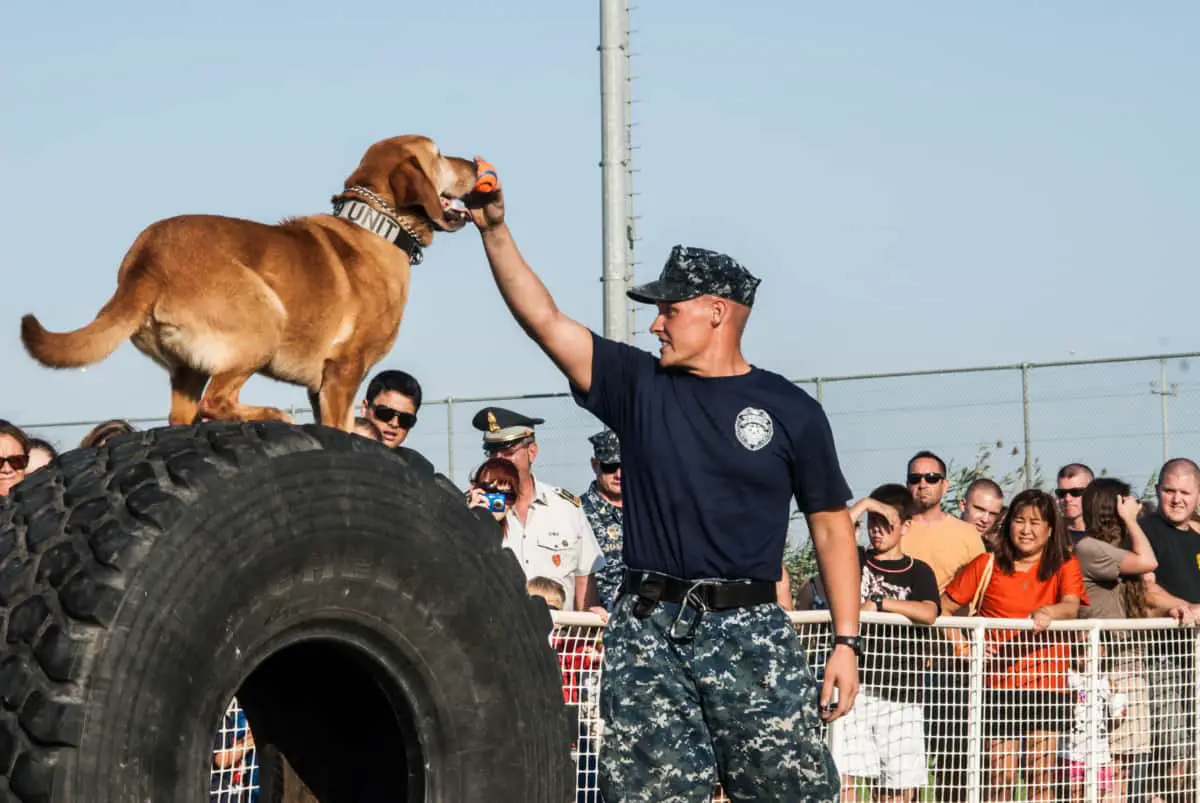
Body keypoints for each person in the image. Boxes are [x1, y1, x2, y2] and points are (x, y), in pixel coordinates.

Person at [467, 174, 860, 802]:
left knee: (794, 793)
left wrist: (846, 641)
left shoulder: (791, 410)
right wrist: (494, 230)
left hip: (751, 631)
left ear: (716, 311)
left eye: (668, 309)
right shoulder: (638, 386)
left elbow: (832, 528)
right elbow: (543, 320)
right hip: (648, 632)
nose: (655, 325)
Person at [940, 489, 1087, 803]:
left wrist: (1048, 612)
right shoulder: (986, 563)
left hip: (1048, 687)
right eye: (1019, 521)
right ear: (1008, 525)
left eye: (1036, 522)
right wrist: (965, 648)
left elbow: (1071, 605)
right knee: (999, 781)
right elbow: (944, 607)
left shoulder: (1064, 564)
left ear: (1050, 530)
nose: (1026, 530)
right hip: (997, 687)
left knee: (1041, 780)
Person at [832, 484, 939, 802]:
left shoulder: (919, 571)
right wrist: (866, 504)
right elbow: (835, 536)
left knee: (897, 787)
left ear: (906, 526)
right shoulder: (856, 560)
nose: (877, 530)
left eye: (886, 522)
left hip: (901, 692)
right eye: (872, 522)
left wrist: (880, 603)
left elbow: (929, 612)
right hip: (857, 688)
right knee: (844, 778)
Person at [470, 406, 605, 613]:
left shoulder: (565, 508)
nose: (499, 460)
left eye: (507, 452)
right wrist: (474, 521)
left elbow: (584, 579)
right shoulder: (474, 510)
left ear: (532, 451)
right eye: (492, 452)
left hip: (558, 637)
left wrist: (587, 632)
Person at [579, 429, 625, 610]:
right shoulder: (577, 512)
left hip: (644, 622)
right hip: (598, 622)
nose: (619, 474)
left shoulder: (647, 512)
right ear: (594, 465)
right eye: (610, 466)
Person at [358, 369, 422, 448]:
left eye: (405, 419)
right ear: (365, 408)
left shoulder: (414, 460)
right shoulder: (340, 453)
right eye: (385, 413)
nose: (394, 424)